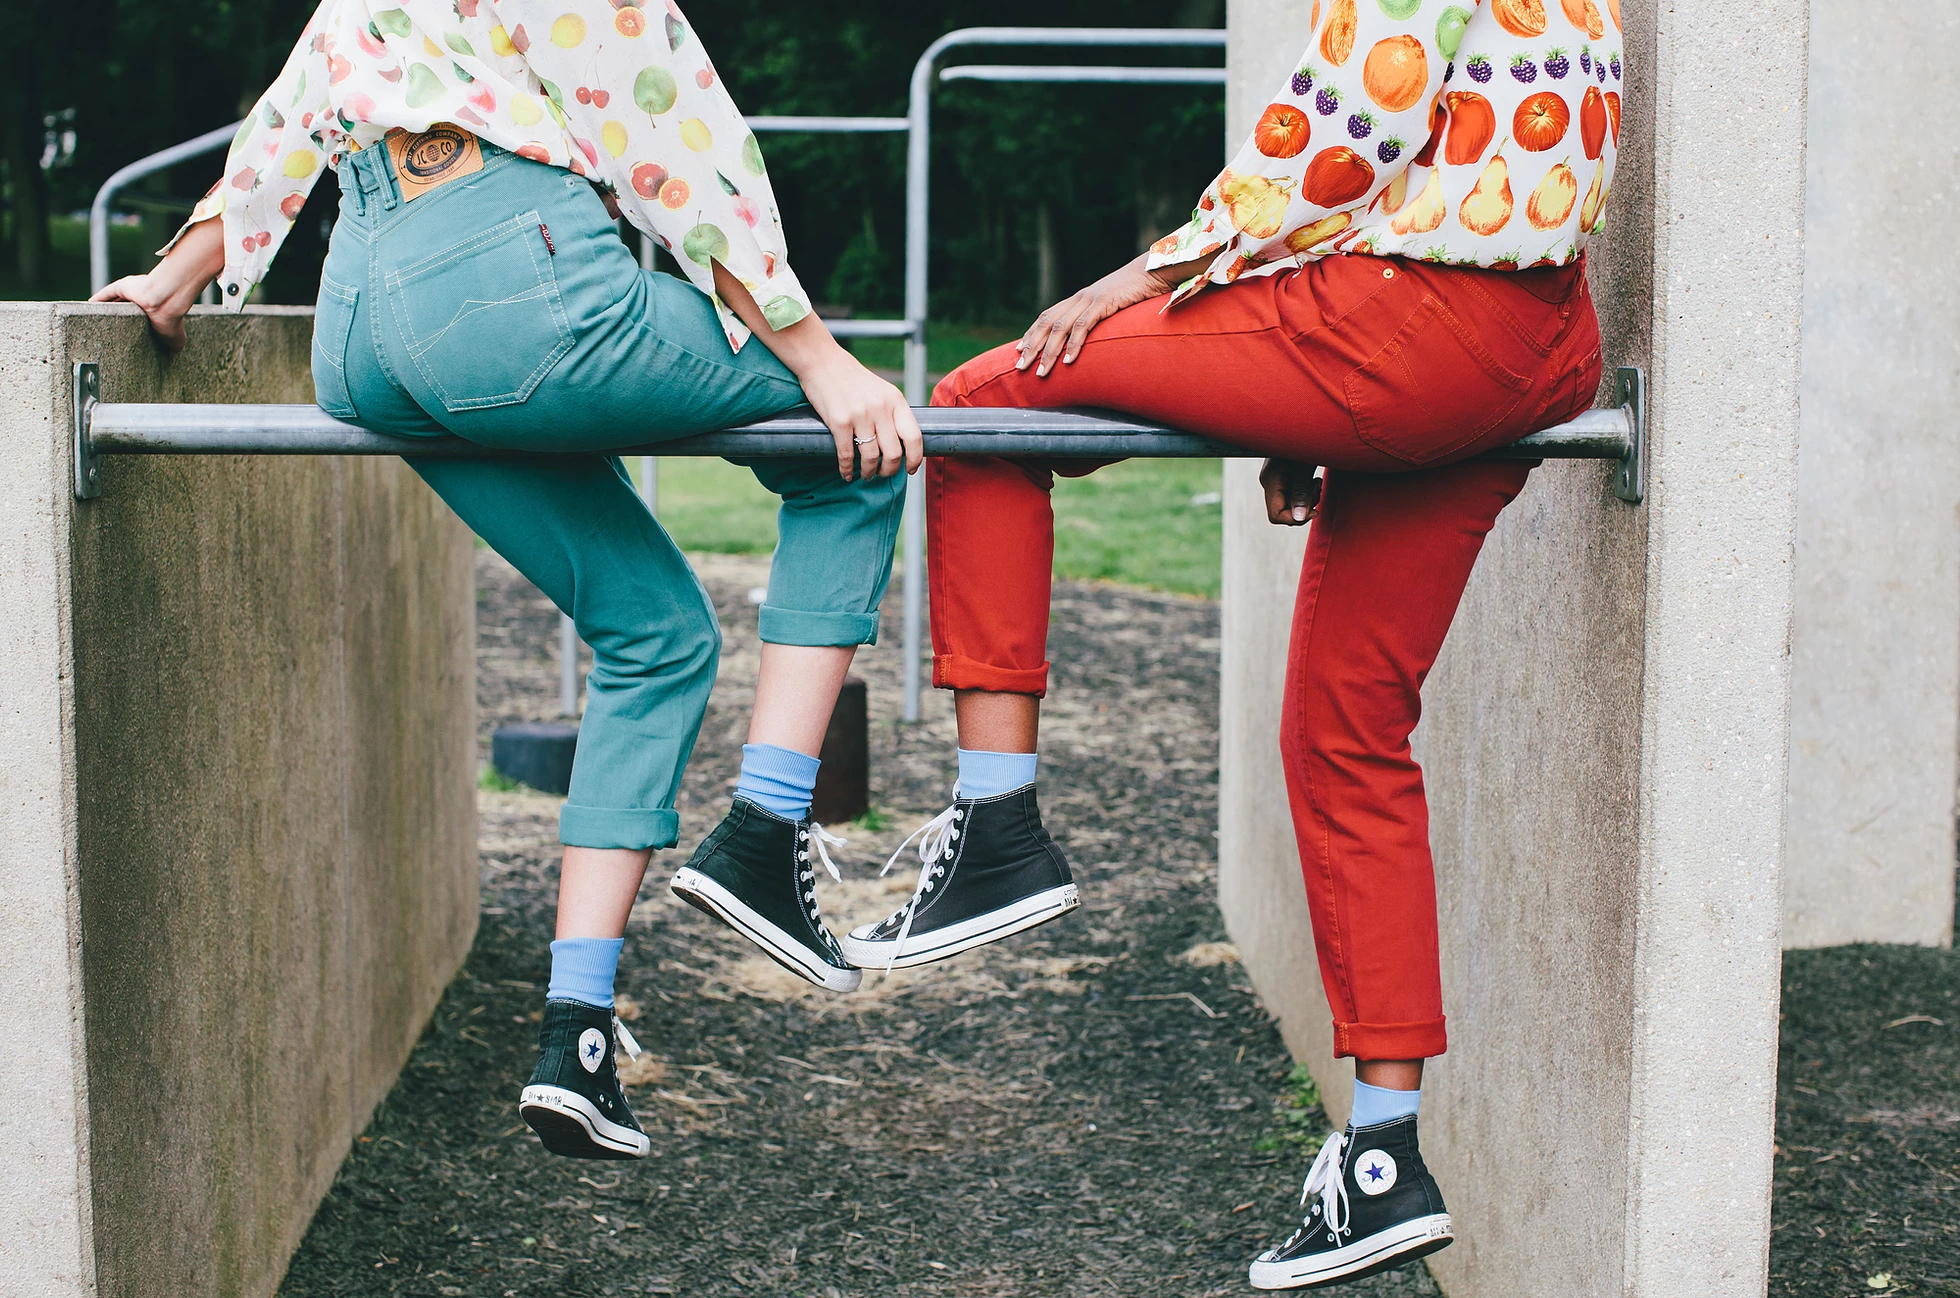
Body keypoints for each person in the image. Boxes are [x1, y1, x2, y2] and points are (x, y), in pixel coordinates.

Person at [94, 0, 923, 1164]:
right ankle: (764, 831)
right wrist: (820, 358)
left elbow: (287, 123)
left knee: (653, 631)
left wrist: (173, 278)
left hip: (361, 336)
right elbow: (675, 141)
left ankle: (575, 1035)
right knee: (857, 452)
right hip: (512, 288)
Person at [888, 0, 1622, 1287]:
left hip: (1415, 327)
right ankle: (1382, 1157)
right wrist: (1305, 404)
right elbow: (1446, 147)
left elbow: (1346, 125)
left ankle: (996, 825)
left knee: (982, 402)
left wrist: (1151, 271)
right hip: (1538, 336)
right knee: (1346, 729)